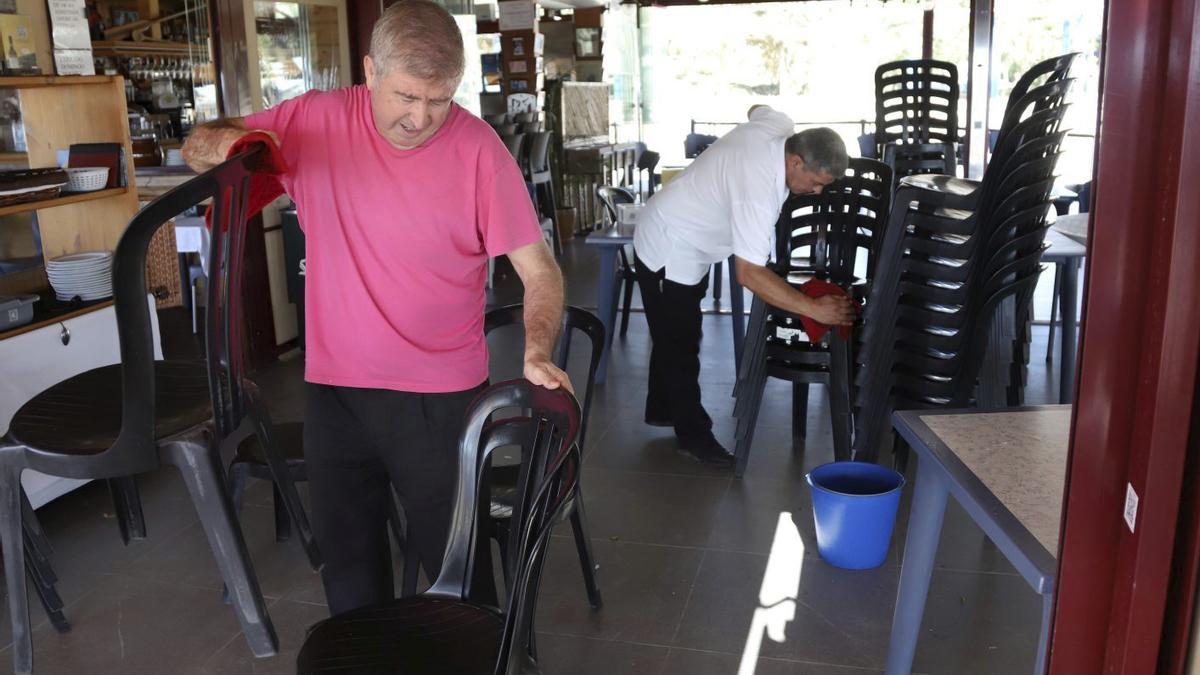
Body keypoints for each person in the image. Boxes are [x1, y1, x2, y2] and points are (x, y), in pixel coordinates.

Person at [182, 0, 571, 616]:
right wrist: (234, 144)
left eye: (439, 99)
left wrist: (536, 347)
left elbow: (539, 270)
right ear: (369, 72)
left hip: (440, 401)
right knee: (350, 573)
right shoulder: (312, 120)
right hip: (335, 393)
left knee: (459, 578)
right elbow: (198, 148)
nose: (421, 118)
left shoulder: (478, 150)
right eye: (406, 97)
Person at [632, 107, 855, 467]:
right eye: (815, 182)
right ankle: (694, 436)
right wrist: (813, 308)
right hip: (669, 242)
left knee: (674, 329)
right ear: (795, 161)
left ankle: (663, 407)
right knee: (680, 340)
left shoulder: (780, 126)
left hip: (696, 235)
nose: (815, 192)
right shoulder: (758, 189)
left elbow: (758, 109)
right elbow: (749, 273)